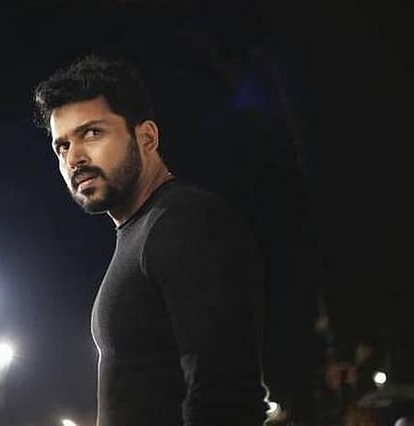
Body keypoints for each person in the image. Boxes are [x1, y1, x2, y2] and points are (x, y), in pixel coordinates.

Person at [33, 54, 268, 425]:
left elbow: (225, 396)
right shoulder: (142, 231)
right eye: (62, 146)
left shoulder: (184, 221)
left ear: (146, 137)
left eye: (91, 133)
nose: (74, 157)